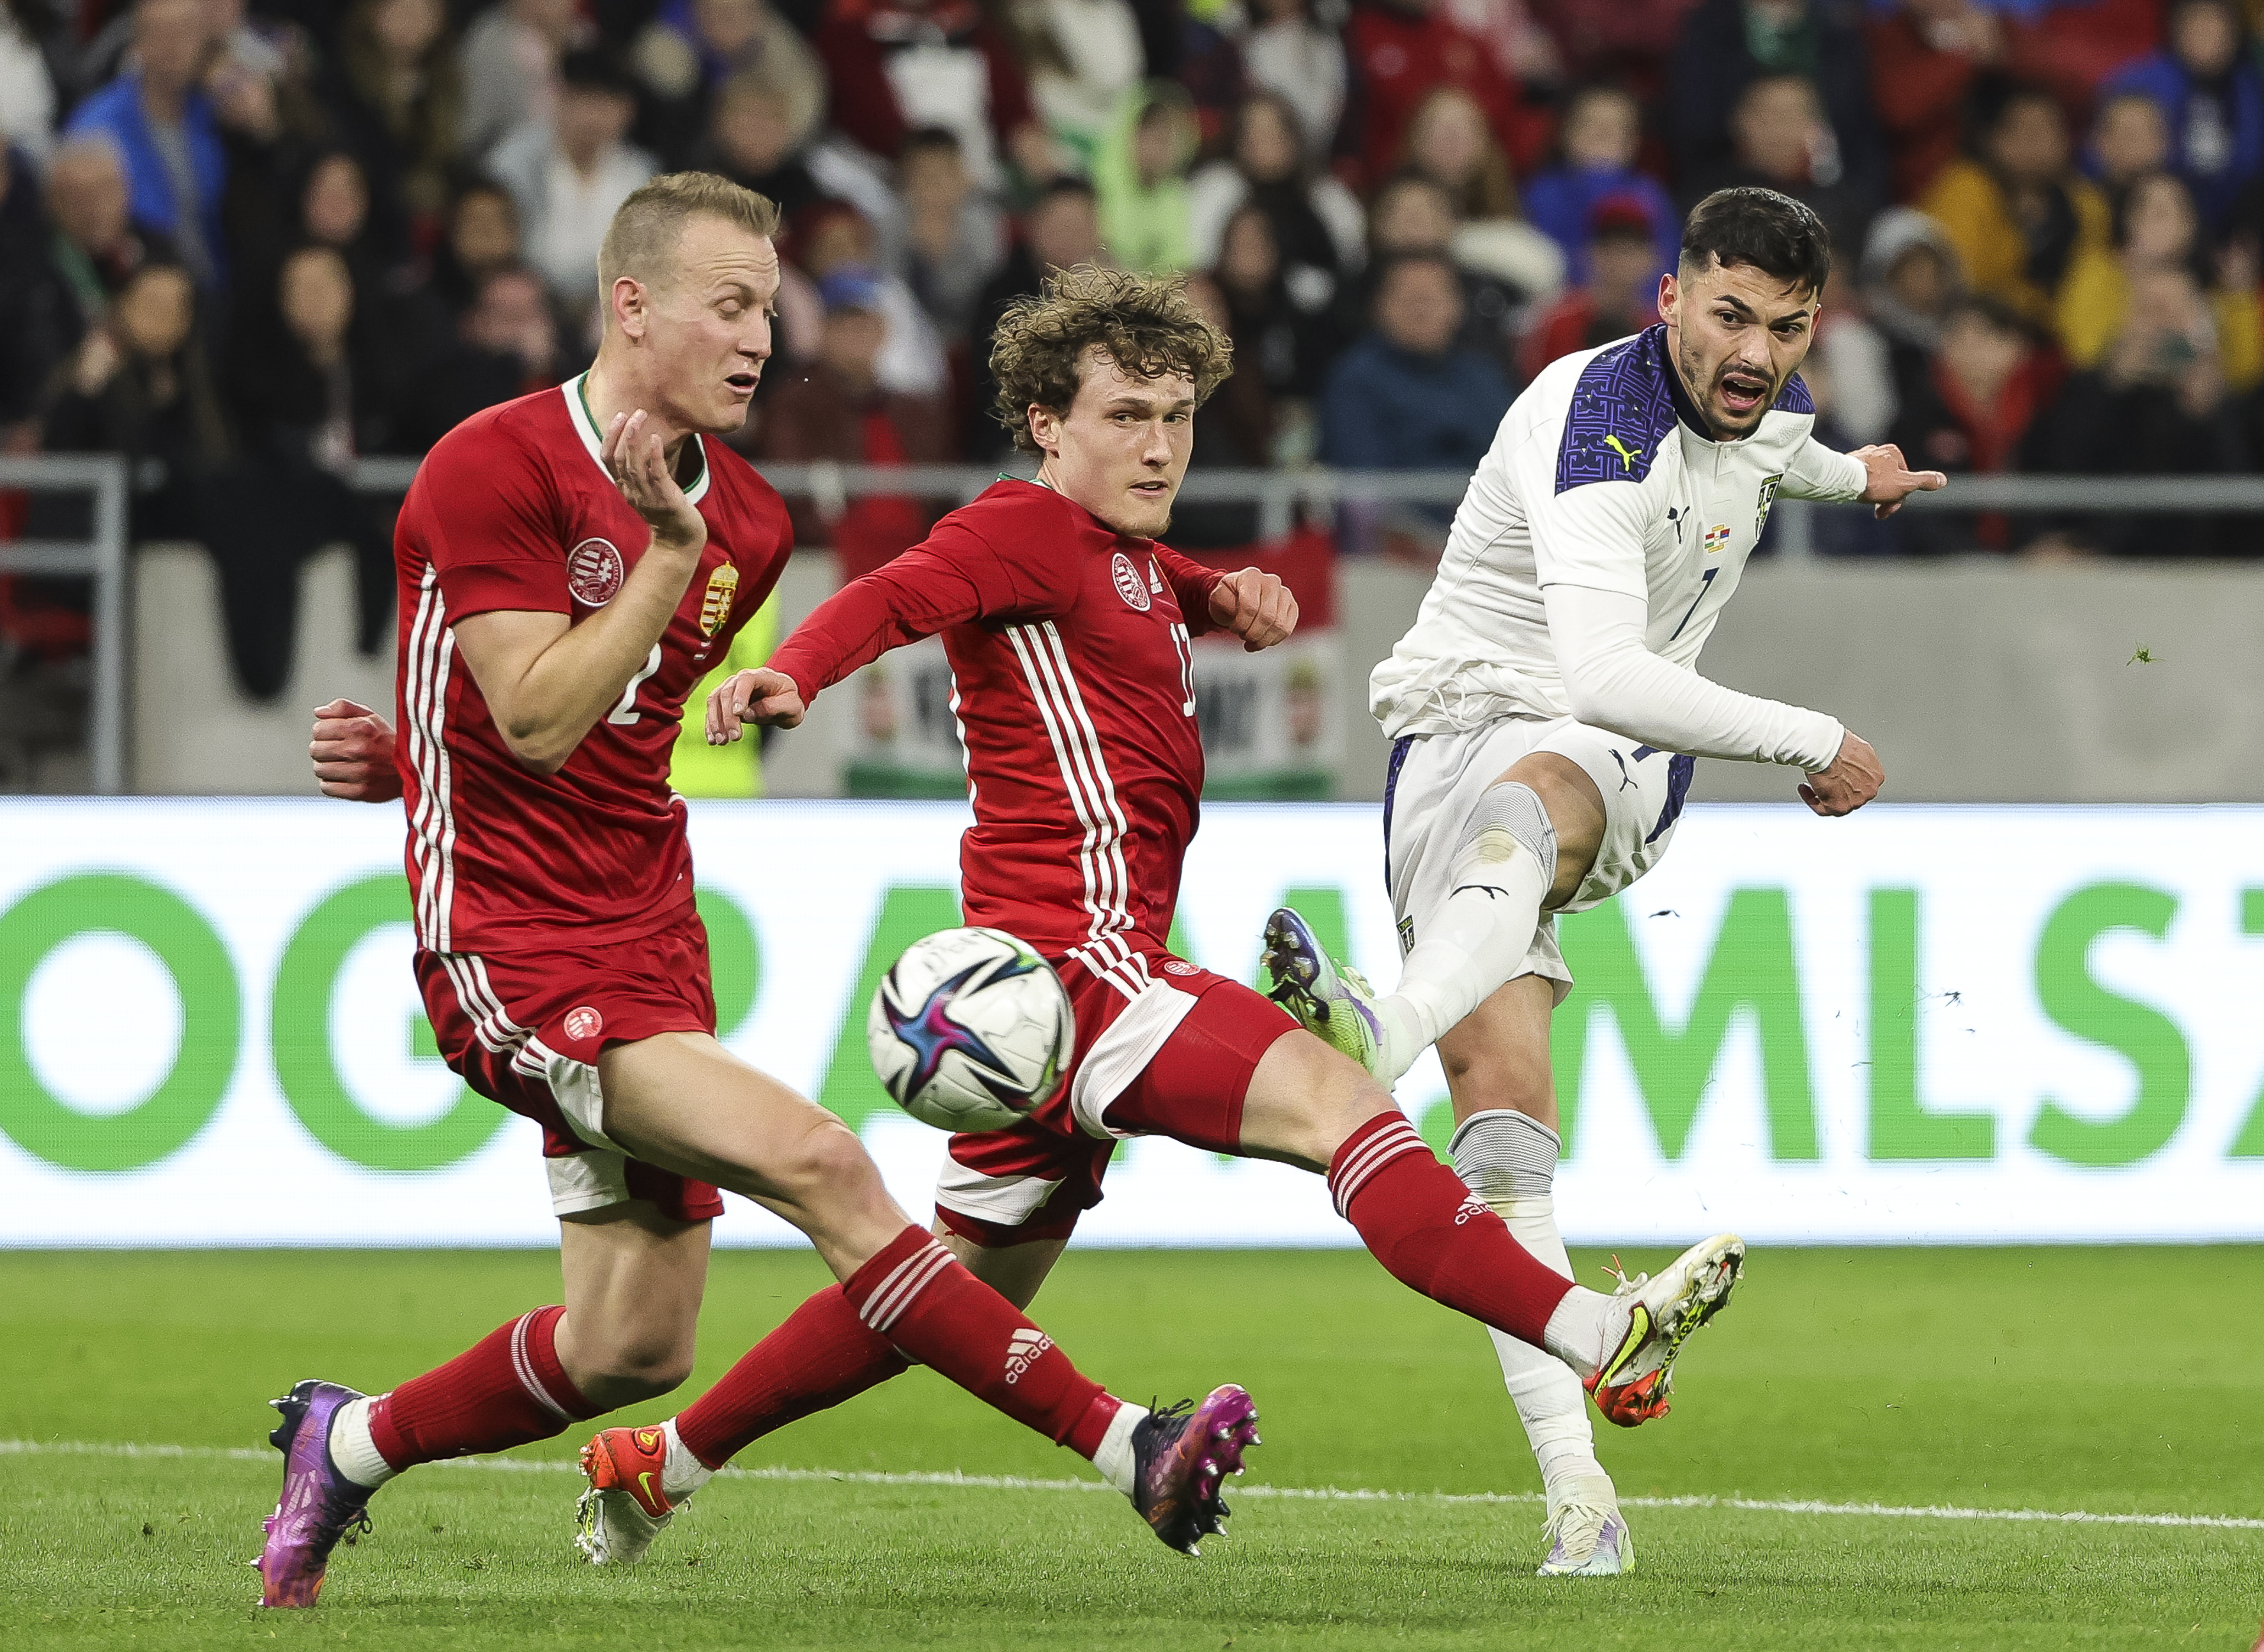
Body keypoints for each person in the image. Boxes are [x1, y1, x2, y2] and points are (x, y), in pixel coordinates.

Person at [593, 261, 1751, 1568]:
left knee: (942, 1290)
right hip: (1078, 968)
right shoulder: (1013, 530)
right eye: (1124, 416)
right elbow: (895, 594)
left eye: (1177, 416)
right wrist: (791, 675)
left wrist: (1224, 595)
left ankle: (663, 1462)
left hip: (1041, 999)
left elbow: (1135, 589)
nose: (1157, 444)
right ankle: (1598, 1337)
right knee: (1346, 1107)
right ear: (1045, 421)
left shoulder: (1122, 557)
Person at [269, 172, 1254, 1609]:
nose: (756, 337)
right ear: (631, 305)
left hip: (649, 927)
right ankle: (1131, 1448)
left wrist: (422, 757)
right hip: (513, 946)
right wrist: (644, 576)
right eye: (728, 305)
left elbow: (608, 740)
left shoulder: (749, 519)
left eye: (768, 310)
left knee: (630, 1350)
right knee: (829, 1167)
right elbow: (535, 719)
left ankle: (343, 1446)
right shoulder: (494, 466)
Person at [1263, 187, 1944, 1576]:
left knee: (1543, 788)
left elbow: (1762, 467)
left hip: (1604, 759)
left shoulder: (1757, 411)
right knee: (1504, 1143)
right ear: (1668, 304)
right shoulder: (1601, 433)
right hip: (1456, 738)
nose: (1755, 352)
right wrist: (1813, 739)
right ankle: (1584, 1502)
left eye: (1788, 327)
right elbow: (1598, 665)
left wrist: (1851, 474)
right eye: (1730, 317)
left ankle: (1372, 1031)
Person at [62, 0, 226, 289]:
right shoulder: (96, 126)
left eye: (185, 32)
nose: (173, 46)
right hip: (141, 287)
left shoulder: (215, 108)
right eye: (160, 33)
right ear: (136, 43)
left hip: (219, 285)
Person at [1920, 82, 2107, 327]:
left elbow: (2091, 289)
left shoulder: (2086, 204)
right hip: (1970, 329)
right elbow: (1961, 285)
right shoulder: (1964, 189)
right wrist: (2031, 303)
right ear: (1990, 139)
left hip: (2055, 341)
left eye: (2047, 130)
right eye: (2021, 129)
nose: (2034, 142)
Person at [1318, 252, 1516, 478]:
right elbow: (1365, 486)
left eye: (1432, 298)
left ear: (1458, 307)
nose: (1421, 310)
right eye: (1408, 298)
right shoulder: (1354, 380)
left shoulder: (1485, 376)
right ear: (1378, 307)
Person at [491, 50, 659, 308]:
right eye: (583, 101)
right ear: (559, 99)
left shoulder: (640, 173)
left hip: (610, 307)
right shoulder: (513, 164)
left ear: (628, 110)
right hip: (531, 301)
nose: (592, 118)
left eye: (606, 104)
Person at [2102, 0, 2264, 238]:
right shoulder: (2136, 84)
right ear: (2175, 30)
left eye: (2217, 23)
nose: (2207, 32)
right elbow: (2100, 159)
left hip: (2232, 222)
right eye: (2196, 22)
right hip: (2149, 213)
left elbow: (2251, 165)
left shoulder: (2250, 87)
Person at [1521, 84, 1679, 287]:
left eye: (1617, 126)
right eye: (1591, 124)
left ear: (1634, 140)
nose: (1603, 133)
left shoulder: (1651, 195)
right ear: (1567, 133)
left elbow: (1667, 271)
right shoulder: (1542, 193)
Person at [1518, 195, 1665, 379]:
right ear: (1590, 253)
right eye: (1611, 249)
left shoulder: (1660, 331)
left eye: (1631, 251)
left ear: (1652, 258)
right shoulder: (1558, 322)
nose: (1621, 261)